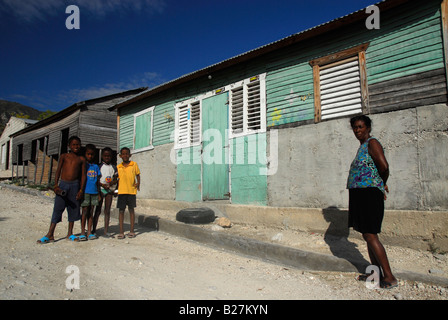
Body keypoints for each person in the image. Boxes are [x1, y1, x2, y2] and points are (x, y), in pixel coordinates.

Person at [347, 115, 397, 289]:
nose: (357, 130)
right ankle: (375, 273)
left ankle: (389, 277)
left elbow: (384, 166)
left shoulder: (372, 143)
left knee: (371, 234)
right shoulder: (362, 146)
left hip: (369, 195)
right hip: (361, 194)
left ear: (368, 128)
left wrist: (381, 184)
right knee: (366, 235)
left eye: (360, 127)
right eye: (355, 128)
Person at [37, 136, 86, 243]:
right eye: (73, 144)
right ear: (69, 146)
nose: (76, 146)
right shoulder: (64, 156)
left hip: (75, 185)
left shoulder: (81, 159)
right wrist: (55, 185)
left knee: (73, 209)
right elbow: (58, 170)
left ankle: (70, 233)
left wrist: (81, 190)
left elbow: (83, 176)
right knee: (58, 208)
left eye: (78, 144)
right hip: (63, 184)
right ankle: (50, 234)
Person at [92, 147, 118, 237]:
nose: (107, 157)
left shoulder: (113, 167)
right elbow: (96, 179)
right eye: (105, 156)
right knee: (98, 210)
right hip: (100, 190)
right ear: (102, 156)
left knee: (107, 210)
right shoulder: (99, 166)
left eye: (109, 156)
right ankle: (93, 230)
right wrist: (102, 185)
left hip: (109, 191)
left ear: (111, 156)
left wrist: (112, 183)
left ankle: (106, 231)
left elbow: (116, 179)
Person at [116, 147, 140, 240]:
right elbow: (116, 179)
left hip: (131, 191)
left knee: (131, 210)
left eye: (127, 154)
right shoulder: (118, 167)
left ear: (130, 155)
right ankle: (121, 232)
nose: (125, 155)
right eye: (123, 154)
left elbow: (138, 175)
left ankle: (132, 230)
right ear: (120, 156)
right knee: (121, 211)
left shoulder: (134, 165)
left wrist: (138, 184)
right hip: (122, 191)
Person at [80, 144, 101, 241]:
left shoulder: (96, 167)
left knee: (91, 212)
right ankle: (82, 232)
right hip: (85, 192)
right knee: (84, 211)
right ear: (85, 154)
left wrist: (99, 193)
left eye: (92, 154)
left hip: (94, 192)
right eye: (88, 154)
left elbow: (97, 181)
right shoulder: (84, 165)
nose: (90, 156)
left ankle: (89, 231)